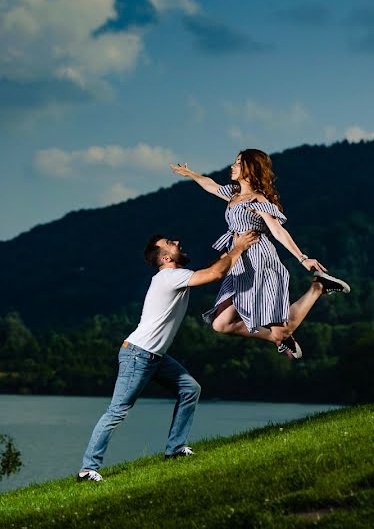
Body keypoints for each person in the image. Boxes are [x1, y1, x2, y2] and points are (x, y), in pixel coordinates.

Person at [77, 230, 259, 483]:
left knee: (190, 389)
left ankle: (174, 449)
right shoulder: (168, 277)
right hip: (138, 355)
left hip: (155, 357)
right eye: (171, 244)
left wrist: (233, 252)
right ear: (164, 258)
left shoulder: (175, 276)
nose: (178, 242)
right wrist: (237, 248)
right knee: (117, 411)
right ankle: (88, 469)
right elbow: (215, 273)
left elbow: (214, 271)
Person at [169, 149, 350, 359]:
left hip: (258, 261)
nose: (232, 166)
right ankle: (279, 339)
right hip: (237, 261)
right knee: (221, 323)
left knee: (280, 329)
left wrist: (302, 258)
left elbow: (278, 231)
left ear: (249, 169)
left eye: (238, 163)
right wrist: (191, 174)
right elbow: (212, 186)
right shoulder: (234, 194)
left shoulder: (258, 200)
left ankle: (318, 287)